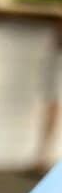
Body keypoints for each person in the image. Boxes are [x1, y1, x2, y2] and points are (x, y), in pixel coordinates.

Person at [32, 19, 62, 177]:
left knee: (54, 108)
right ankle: (42, 158)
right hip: (56, 54)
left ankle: (44, 159)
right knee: (51, 106)